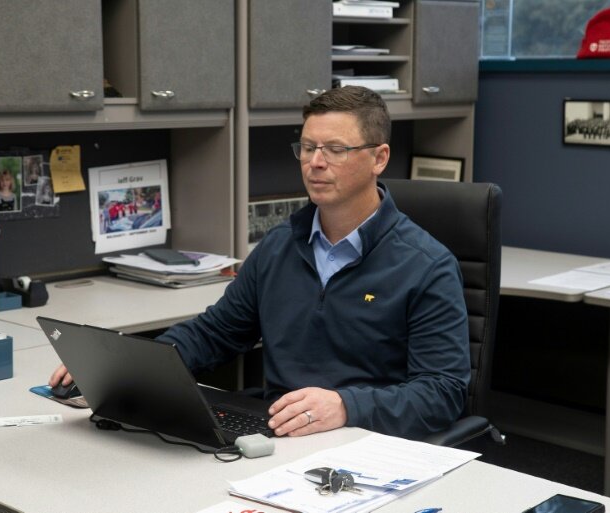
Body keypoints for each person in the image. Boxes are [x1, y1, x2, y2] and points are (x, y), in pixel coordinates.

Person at [50, 86, 470, 440]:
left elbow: (444, 392)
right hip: (279, 436)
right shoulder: (280, 247)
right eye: (307, 148)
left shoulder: (427, 265)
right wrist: (122, 371)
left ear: (379, 159)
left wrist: (346, 406)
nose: (315, 163)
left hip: (365, 442)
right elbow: (214, 334)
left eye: (335, 150)